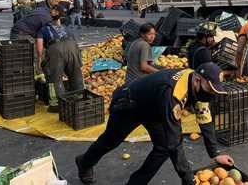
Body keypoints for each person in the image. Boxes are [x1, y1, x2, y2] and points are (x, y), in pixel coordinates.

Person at [75, 63, 234, 185]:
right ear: (198, 80)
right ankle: (84, 162)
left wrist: (215, 153)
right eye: (210, 89)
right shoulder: (172, 92)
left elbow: (204, 119)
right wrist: (188, 178)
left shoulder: (199, 88)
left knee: (163, 147)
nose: (211, 94)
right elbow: (175, 141)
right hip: (129, 104)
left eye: (215, 91)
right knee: (111, 141)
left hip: (155, 108)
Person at [36, 5, 84, 112]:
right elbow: (75, 42)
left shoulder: (43, 29)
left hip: (56, 49)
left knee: (54, 78)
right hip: (72, 47)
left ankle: (57, 105)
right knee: (76, 75)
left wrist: (40, 60)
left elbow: (39, 49)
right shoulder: (66, 28)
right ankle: (80, 99)